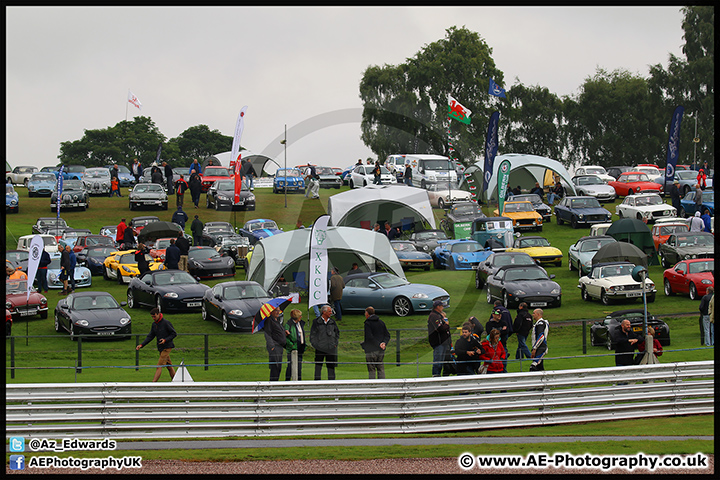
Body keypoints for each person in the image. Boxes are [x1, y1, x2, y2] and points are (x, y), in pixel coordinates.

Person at [136, 308, 177, 382]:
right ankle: (176, 381)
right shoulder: (154, 324)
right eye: (152, 317)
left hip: (167, 347)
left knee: (159, 366)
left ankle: (153, 383)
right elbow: (150, 336)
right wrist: (141, 345)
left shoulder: (166, 323)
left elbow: (174, 334)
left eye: (154, 316)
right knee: (169, 366)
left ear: (158, 314)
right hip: (161, 348)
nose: (153, 318)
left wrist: (165, 340)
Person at [310, 305, 340, 380]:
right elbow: (312, 335)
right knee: (318, 367)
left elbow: (337, 333)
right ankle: (317, 383)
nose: (331, 313)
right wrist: (316, 345)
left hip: (331, 348)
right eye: (329, 311)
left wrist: (335, 343)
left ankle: (332, 384)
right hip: (320, 348)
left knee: (331, 367)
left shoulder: (332, 322)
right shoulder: (316, 322)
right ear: (324, 312)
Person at [360, 306, 391, 379]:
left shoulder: (368, 323)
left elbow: (369, 337)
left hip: (371, 349)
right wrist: (383, 343)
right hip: (381, 350)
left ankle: (372, 385)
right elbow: (387, 335)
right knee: (380, 368)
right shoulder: (381, 322)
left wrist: (378, 344)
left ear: (367, 314)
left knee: (371, 369)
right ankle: (382, 384)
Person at [427, 300, 451, 377]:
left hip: (442, 342)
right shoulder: (434, 316)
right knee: (438, 360)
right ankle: (436, 375)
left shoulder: (438, 315)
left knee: (441, 360)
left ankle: (438, 375)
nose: (443, 308)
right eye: (442, 306)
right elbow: (440, 328)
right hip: (438, 342)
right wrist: (447, 325)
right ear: (438, 307)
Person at [263, 306, 287, 381]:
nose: (277, 312)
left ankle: (276, 384)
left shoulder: (277, 321)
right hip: (275, 347)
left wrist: (284, 332)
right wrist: (272, 346)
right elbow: (267, 334)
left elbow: (278, 332)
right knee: (275, 367)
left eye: (278, 311)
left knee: (279, 367)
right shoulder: (269, 321)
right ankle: (273, 384)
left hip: (280, 347)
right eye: (276, 310)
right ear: (271, 312)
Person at [284, 309, 306, 381]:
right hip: (292, 349)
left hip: (300, 348)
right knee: (290, 366)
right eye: (300, 316)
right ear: (296, 317)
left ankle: (299, 381)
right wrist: (292, 345)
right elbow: (286, 338)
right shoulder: (288, 325)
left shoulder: (300, 324)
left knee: (299, 366)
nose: (301, 317)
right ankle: (287, 381)